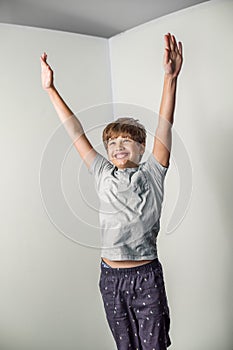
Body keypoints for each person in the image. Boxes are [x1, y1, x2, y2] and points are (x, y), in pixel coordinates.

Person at [40, 32, 183, 349]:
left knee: (153, 345)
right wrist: (51, 90)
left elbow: (165, 122)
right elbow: (75, 130)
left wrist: (170, 78)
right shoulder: (101, 171)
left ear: (142, 147)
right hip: (110, 279)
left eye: (126, 140)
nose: (118, 147)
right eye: (112, 142)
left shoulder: (153, 172)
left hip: (145, 277)